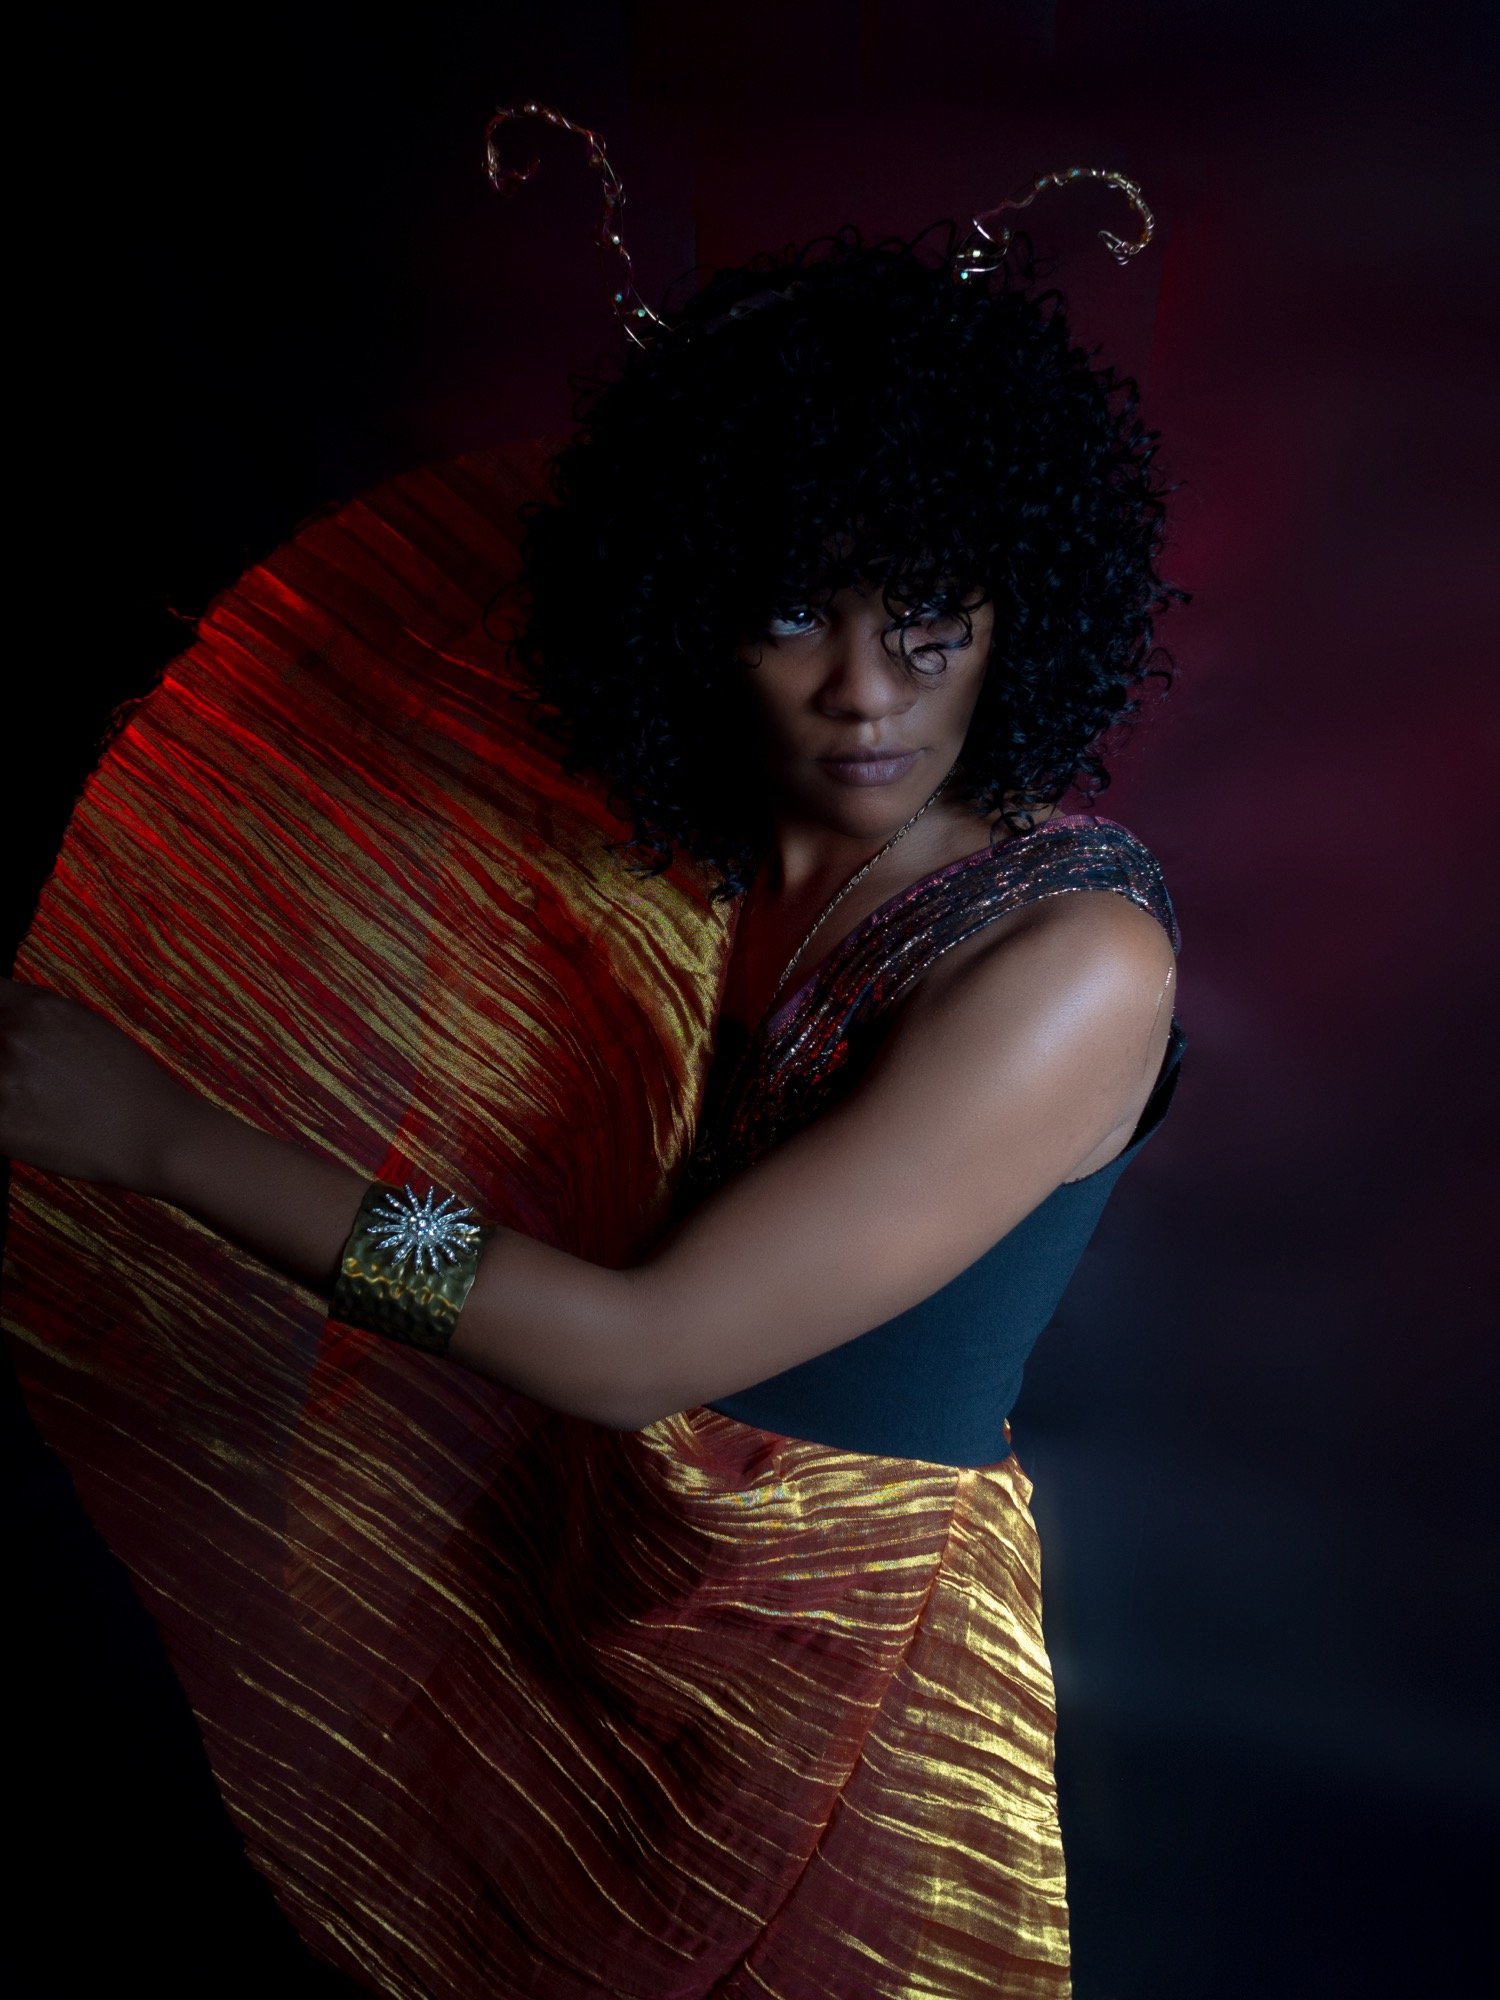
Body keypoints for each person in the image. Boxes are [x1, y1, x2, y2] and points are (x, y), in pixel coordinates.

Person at [1, 183, 1187, 1996]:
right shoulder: (662, 864)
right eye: (795, 612)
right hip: (569, 1601)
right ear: (692, 604)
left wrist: (163, 1138)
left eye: (930, 616)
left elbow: (641, 1348)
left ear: (1020, 603)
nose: (866, 694)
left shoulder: (1068, 963)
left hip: (820, 1686)